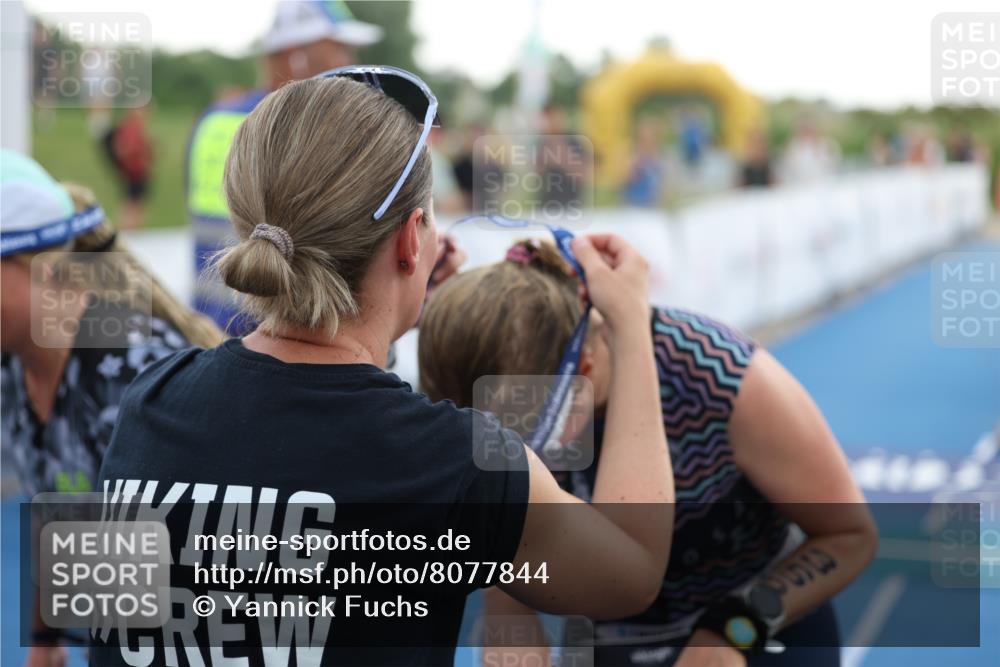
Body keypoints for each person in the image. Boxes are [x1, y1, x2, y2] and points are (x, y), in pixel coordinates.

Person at [91, 70, 675, 666]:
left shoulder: (150, 402)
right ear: (411, 241)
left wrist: (388, 321)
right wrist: (630, 326)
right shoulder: (455, 463)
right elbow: (631, 570)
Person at [418, 239, 879, 667]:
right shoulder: (509, 387)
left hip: (758, 627)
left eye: (529, 431)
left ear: (585, 367)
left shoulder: (723, 379)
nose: (515, 452)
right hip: (618, 633)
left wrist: (734, 630)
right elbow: (512, 578)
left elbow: (850, 536)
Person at [0, 150, 222, 667]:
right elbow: (56, 510)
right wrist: (45, 639)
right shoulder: (13, 366)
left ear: (43, 267)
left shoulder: (136, 374)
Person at [186, 0, 382, 331]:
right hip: (279, 338)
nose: (348, 64)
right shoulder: (306, 134)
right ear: (296, 56)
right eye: (339, 50)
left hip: (206, 334)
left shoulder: (212, 119)